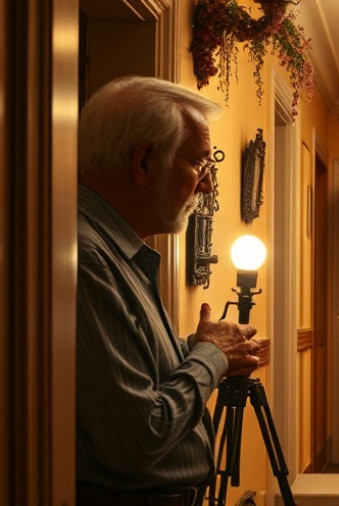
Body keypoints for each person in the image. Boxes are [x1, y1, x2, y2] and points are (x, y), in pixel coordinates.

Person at [76, 76, 267, 506]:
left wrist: (196, 349)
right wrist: (211, 356)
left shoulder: (120, 251)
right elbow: (138, 440)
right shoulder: (86, 259)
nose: (208, 186)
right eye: (201, 165)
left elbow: (134, 376)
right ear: (143, 162)